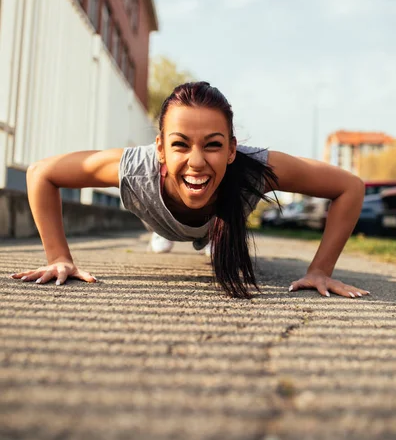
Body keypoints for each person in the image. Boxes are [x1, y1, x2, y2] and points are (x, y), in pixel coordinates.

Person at [10, 82, 370, 300]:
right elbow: (42, 173)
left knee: (214, 238)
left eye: (213, 145)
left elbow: (350, 187)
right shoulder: (135, 167)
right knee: (165, 236)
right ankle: (165, 235)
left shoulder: (255, 168)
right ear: (161, 149)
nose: (196, 161)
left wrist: (320, 270)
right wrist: (60, 258)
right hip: (161, 220)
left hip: (219, 217)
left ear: (231, 149)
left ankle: (213, 236)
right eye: (180, 144)